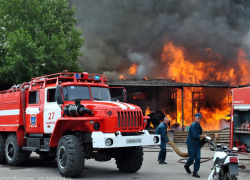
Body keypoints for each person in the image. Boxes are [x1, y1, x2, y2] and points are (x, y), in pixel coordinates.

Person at [184, 113, 207, 178]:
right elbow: (195, 135)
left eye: (200, 118)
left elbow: (200, 133)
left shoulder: (198, 125)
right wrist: (203, 136)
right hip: (191, 144)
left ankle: (195, 172)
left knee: (198, 158)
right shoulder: (193, 125)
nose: (199, 120)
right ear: (195, 118)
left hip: (197, 144)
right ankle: (187, 165)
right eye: (198, 118)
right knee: (192, 158)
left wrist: (203, 137)